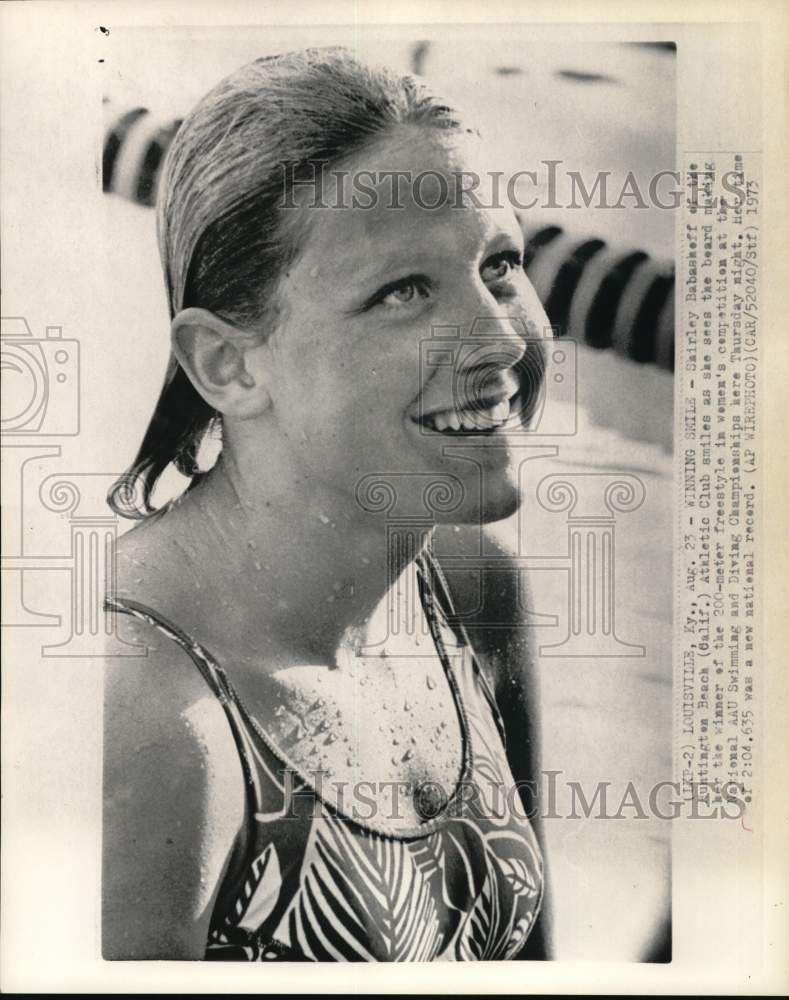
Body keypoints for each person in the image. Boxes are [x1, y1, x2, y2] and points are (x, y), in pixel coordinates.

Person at [102, 47, 551, 962]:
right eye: (403, 291)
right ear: (228, 364)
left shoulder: (467, 588)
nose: (501, 338)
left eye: (499, 264)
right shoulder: (156, 723)